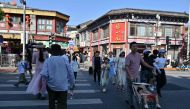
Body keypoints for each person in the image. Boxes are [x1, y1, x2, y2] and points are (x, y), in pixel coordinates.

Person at [41, 44, 75, 109]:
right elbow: (71, 73)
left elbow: (44, 74)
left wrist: (46, 84)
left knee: (51, 103)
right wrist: (72, 84)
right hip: (63, 86)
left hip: (51, 86)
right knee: (62, 104)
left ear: (51, 52)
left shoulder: (48, 60)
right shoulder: (64, 60)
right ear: (60, 52)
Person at [125, 42, 156, 109]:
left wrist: (151, 67)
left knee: (138, 91)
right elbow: (126, 67)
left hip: (137, 76)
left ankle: (139, 103)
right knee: (131, 91)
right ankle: (131, 104)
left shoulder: (139, 55)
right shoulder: (128, 56)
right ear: (130, 48)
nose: (135, 47)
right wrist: (130, 75)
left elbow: (144, 63)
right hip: (130, 77)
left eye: (136, 46)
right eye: (133, 46)